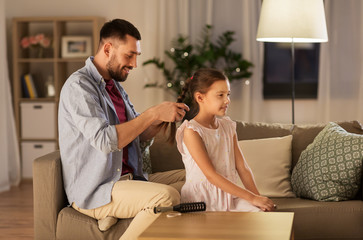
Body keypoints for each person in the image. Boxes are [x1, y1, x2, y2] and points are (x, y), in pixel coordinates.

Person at [58, 19, 189, 240]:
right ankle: (111, 211)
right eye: (130, 55)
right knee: (167, 197)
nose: (135, 64)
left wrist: (157, 121)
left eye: (136, 56)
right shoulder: (79, 87)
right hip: (98, 189)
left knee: (195, 180)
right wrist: (151, 114)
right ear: (108, 49)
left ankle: (116, 213)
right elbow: (104, 141)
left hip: (129, 179)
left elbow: (136, 137)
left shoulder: (115, 86)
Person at [172, 68, 275, 212]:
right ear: (200, 98)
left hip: (229, 196)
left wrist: (258, 199)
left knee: (261, 213)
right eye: (220, 95)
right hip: (202, 200)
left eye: (228, 94)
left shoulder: (227, 127)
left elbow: (243, 168)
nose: (227, 100)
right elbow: (211, 175)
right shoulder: (191, 131)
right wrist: (252, 198)